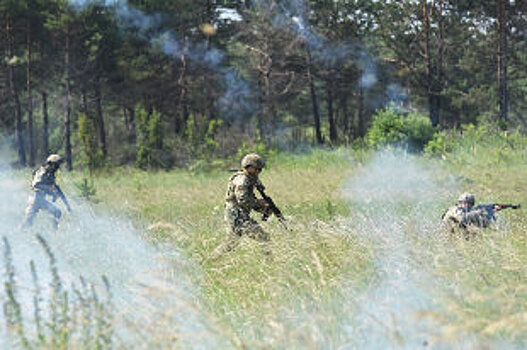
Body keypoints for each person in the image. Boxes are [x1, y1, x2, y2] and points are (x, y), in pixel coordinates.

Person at [208, 153, 271, 261]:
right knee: (263, 237)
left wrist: (263, 209)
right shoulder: (242, 181)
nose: (258, 172)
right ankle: (270, 261)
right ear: (249, 167)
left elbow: (249, 198)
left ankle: (210, 260)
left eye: (260, 170)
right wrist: (260, 203)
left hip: (236, 214)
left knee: (231, 242)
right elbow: (243, 200)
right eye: (257, 169)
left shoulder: (249, 179)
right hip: (237, 215)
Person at [22, 154, 72, 229]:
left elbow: (53, 187)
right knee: (27, 222)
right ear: (51, 164)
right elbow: (36, 185)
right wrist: (50, 190)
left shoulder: (49, 173)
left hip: (40, 199)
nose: (57, 167)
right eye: (56, 164)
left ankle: (54, 232)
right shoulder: (43, 171)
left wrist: (67, 205)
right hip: (35, 199)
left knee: (57, 213)